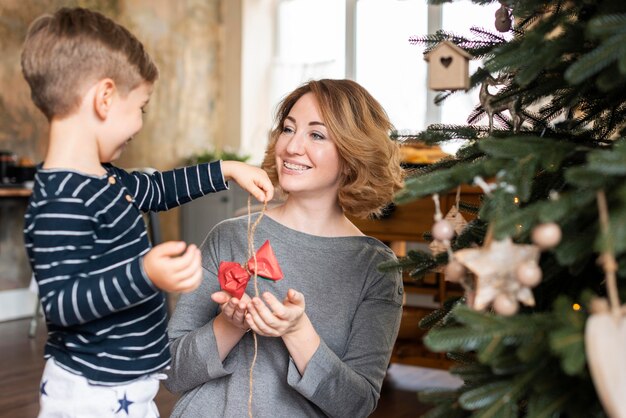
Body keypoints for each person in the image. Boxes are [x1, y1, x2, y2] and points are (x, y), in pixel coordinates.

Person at [20, 7, 273, 418]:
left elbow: (158, 188)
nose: (140, 122)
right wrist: (144, 274)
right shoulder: (60, 200)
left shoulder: (107, 179)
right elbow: (63, 304)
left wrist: (226, 169)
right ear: (104, 98)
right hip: (92, 389)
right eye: (141, 106)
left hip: (126, 384)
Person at [165, 79, 405, 417]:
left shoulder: (376, 268)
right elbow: (172, 371)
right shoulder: (229, 236)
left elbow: (356, 405)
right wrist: (229, 325)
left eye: (316, 134)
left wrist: (297, 331)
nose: (292, 147)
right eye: (288, 129)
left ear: (352, 157)